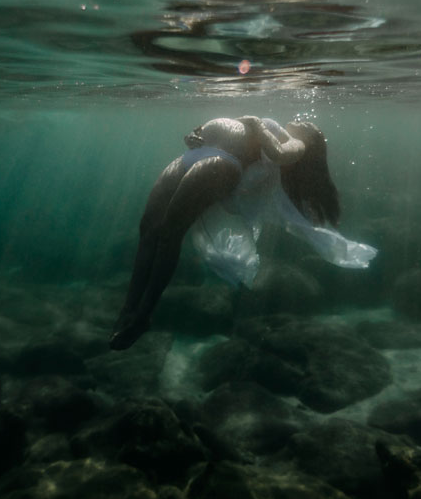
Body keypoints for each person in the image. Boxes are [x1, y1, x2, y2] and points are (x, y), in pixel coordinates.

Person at [109, 115, 376, 349]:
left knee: (169, 232)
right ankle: (128, 308)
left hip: (220, 164)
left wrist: (256, 123)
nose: (305, 121)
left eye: (312, 126)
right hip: (193, 157)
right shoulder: (270, 125)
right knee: (148, 229)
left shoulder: (297, 143)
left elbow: (279, 154)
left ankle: (144, 314)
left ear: (313, 140)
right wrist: (196, 133)